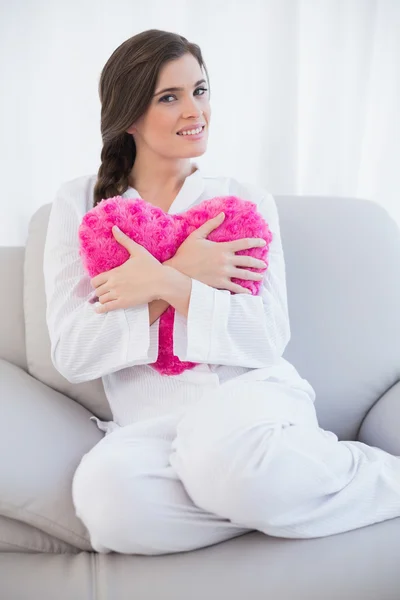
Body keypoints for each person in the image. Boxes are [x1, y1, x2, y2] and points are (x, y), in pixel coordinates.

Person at [43, 29, 400, 556]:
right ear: (130, 115)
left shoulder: (241, 202)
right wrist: (182, 273)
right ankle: (270, 495)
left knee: (222, 455)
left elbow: (264, 339)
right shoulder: (80, 204)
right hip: (154, 425)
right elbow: (74, 354)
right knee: (108, 505)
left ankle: (372, 479)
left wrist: (161, 280)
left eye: (201, 90)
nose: (196, 110)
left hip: (247, 399)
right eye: (171, 97)